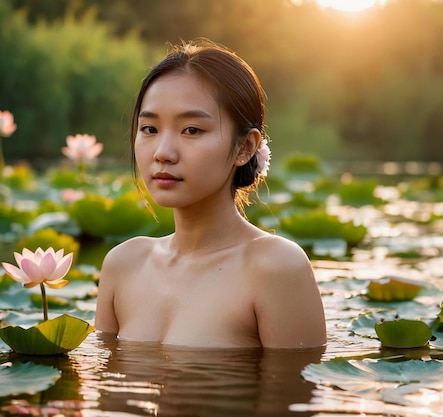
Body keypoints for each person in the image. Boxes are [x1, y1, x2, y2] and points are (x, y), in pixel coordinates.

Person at [95, 39, 326, 349]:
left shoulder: (276, 268)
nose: (163, 153)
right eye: (149, 129)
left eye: (191, 130)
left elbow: (289, 394)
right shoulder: (123, 264)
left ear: (244, 147)